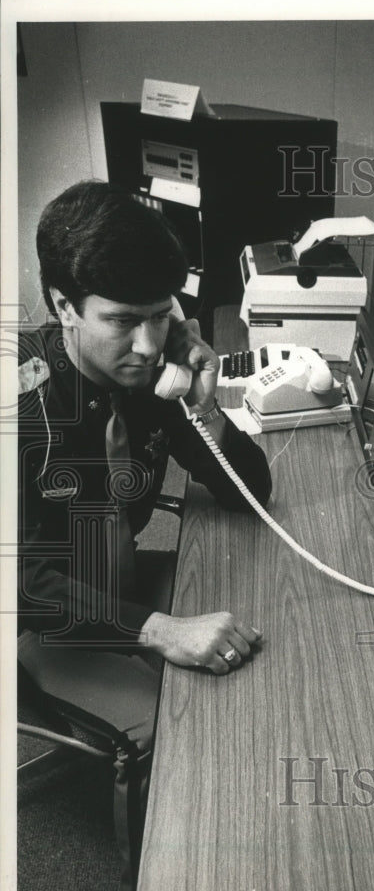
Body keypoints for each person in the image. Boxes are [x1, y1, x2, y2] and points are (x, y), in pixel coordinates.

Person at [18, 180, 273, 743]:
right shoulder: (19, 407)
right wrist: (159, 630)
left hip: (122, 587)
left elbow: (252, 491)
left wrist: (204, 408)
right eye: (123, 320)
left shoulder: (151, 378)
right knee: (187, 734)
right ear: (65, 306)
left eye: (160, 317)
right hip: (46, 622)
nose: (148, 344)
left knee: (260, 639)